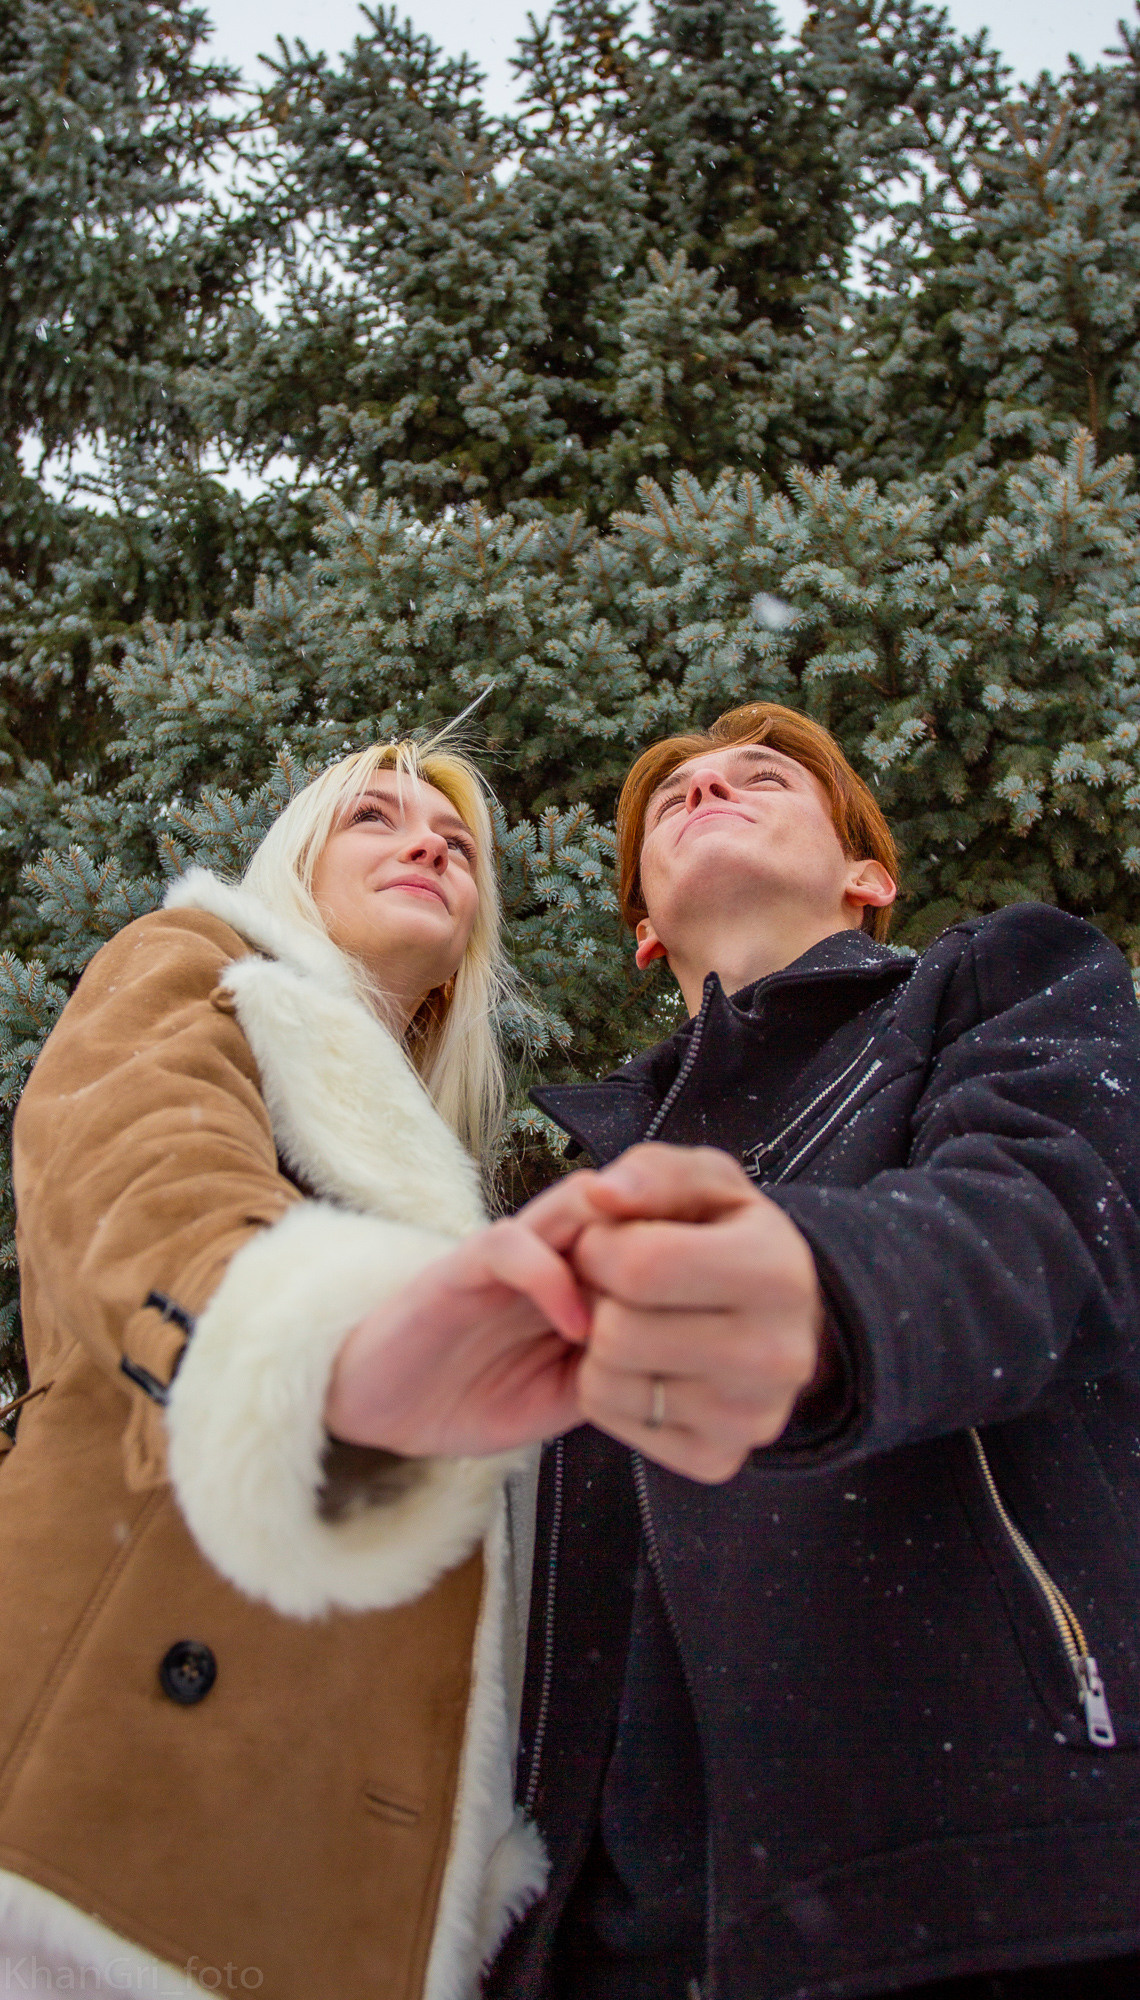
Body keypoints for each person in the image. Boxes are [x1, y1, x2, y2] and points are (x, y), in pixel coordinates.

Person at [325, 703, 1140, 2000]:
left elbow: (1049, 1223)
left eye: (761, 777)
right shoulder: (572, 1208)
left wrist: (825, 1295)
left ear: (867, 876)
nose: (707, 790)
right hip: (640, 1951)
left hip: (996, 1887)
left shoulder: (1001, 985)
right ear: (646, 930)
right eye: (673, 799)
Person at [0, 738, 584, 2000]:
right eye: (375, 816)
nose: (427, 842)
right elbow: (145, 1178)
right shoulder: (198, 963)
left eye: (458, 844)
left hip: (313, 1846)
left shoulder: (438, 1181)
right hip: (102, 1797)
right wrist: (320, 1348)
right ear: (299, 864)